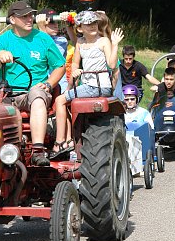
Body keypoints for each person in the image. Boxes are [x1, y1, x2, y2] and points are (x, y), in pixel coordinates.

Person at [0, 1, 65, 166]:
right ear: (12, 20)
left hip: (31, 93)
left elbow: (60, 66)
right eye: (24, 16)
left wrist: (49, 84)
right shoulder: (2, 40)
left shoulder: (43, 39)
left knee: (37, 96)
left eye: (30, 15)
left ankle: (38, 150)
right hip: (6, 93)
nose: (29, 19)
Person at [52, 10, 124, 157]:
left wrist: (115, 44)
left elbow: (112, 65)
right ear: (80, 28)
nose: (92, 26)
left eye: (94, 23)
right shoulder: (80, 42)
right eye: (88, 24)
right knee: (65, 101)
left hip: (98, 86)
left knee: (59, 100)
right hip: (87, 86)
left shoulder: (103, 41)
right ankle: (70, 138)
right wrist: (75, 72)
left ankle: (60, 142)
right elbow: (75, 63)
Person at [36, 8, 77, 94]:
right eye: (51, 22)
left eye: (57, 22)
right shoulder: (33, 41)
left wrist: (68, 23)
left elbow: (77, 44)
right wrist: (42, 30)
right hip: (40, 85)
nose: (56, 25)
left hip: (60, 86)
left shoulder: (61, 41)